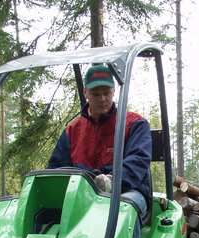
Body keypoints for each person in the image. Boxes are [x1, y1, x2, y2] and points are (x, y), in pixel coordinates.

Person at [48, 64, 152, 219]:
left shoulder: (134, 124)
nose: (103, 99)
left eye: (106, 93)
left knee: (124, 211)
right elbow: (56, 168)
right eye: (96, 94)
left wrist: (112, 181)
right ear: (86, 93)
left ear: (114, 91)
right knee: (47, 212)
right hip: (83, 193)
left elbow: (138, 161)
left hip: (128, 190)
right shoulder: (73, 130)